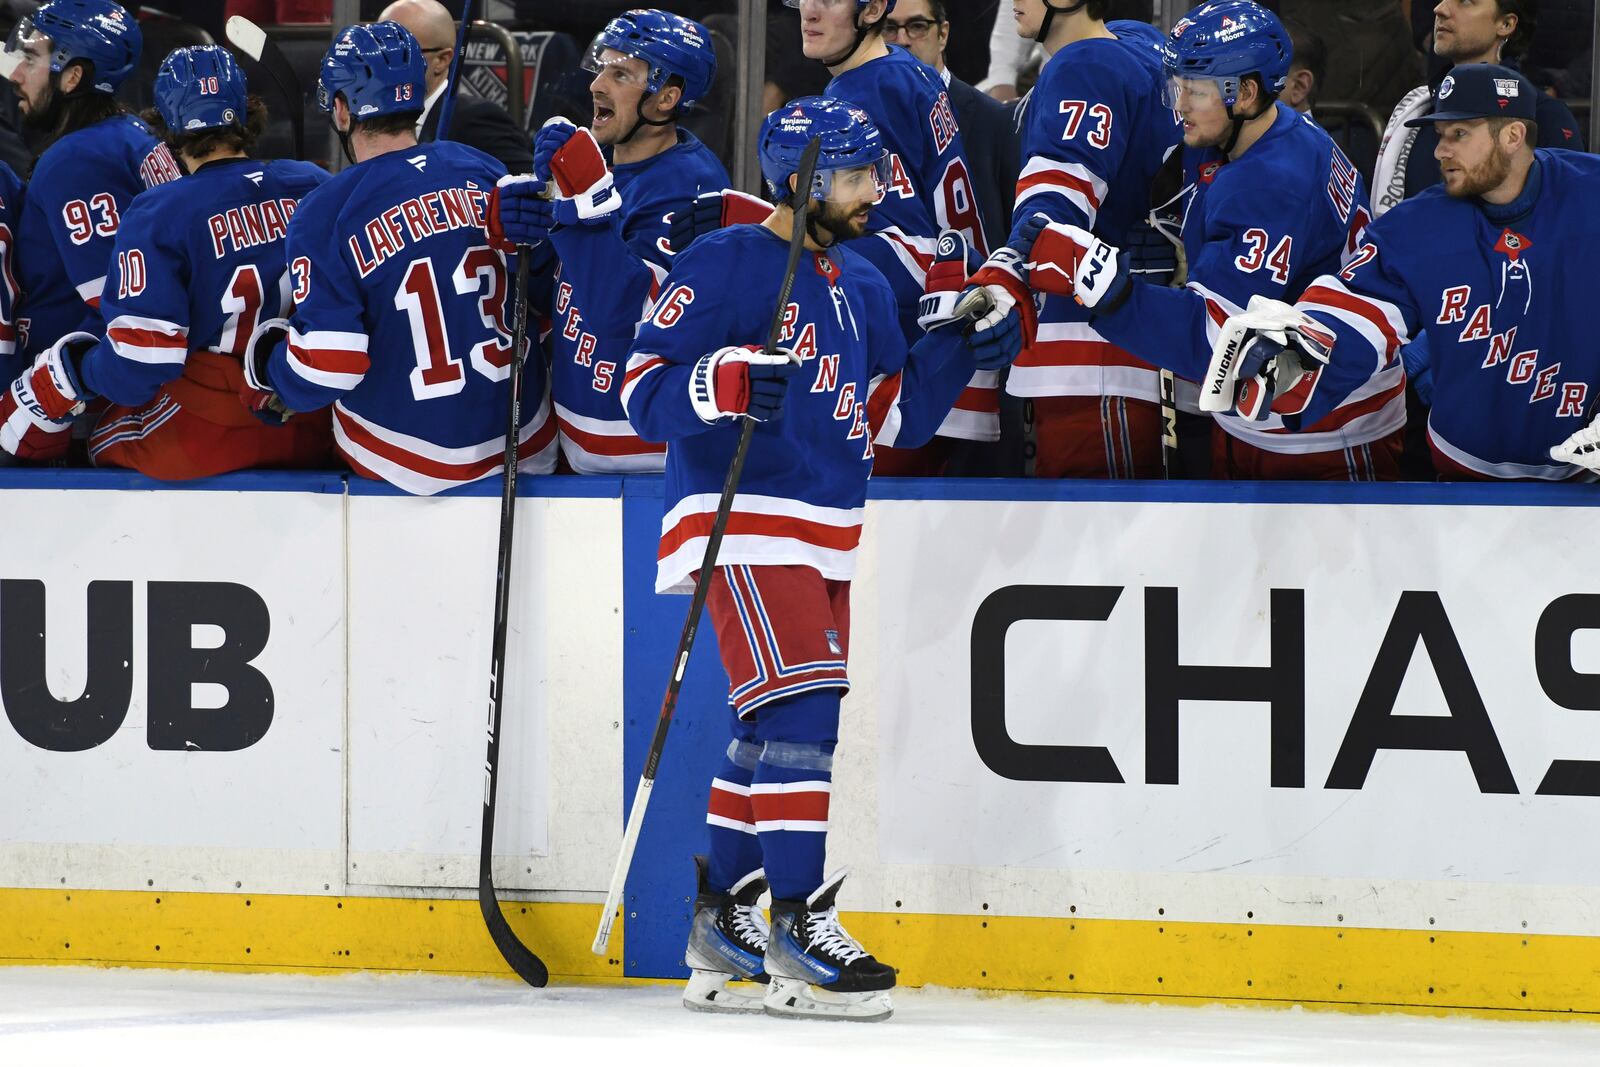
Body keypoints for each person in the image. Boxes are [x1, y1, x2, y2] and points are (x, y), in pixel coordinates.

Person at [622, 98, 1019, 1020]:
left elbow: (896, 415)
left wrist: (962, 342)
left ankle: (723, 923)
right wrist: (720, 381)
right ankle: (796, 927)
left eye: (873, 174)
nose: (872, 191)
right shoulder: (721, 262)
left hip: (826, 525)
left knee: (768, 732)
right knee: (805, 715)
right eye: (853, 176)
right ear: (798, 181)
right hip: (746, 517)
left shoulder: (866, 281)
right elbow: (643, 391)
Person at [988, 0, 1405, 479]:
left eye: (1195, 89)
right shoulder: (1259, 133)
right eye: (1177, 83)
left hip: (1326, 427)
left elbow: (1223, 345)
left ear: (1245, 93)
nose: (1179, 103)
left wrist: (1111, 291)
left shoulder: (1270, 184)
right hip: (1272, 418)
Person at [1200, 64, 1600, 482]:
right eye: (1440, 135)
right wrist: (1298, 357)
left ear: (1513, 136)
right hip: (1464, 479)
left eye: (1459, 134)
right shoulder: (1416, 225)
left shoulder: (1589, 194)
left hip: (1584, 481)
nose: (1440, 151)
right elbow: (1356, 309)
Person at [242, 20, 556, 495]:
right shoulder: (480, 167)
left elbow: (331, 363)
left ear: (342, 111)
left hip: (402, 462)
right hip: (525, 442)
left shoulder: (325, 211)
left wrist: (273, 374)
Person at [0, 45, 333, 477]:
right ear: (245, 110)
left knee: (73, 431)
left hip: (209, 429)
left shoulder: (158, 212)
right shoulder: (314, 184)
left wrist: (75, 371)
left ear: (166, 123)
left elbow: (142, 365)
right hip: (310, 417)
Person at [493, 9, 729, 473]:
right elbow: (559, 294)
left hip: (647, 456)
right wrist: (527, 235)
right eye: (601, 67)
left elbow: (627, 319)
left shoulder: (691, 188)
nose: (597, 85)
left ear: (666, 99)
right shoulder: (603, 167)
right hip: (583, 443)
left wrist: (579, 207)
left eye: (621, 73)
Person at [961, 0, 1183, 479]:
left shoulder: (1085, 64)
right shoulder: (1140, 45)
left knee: (1091, 531)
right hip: (1140, 335)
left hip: (1089, 348)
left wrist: (1004, 273)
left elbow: (1056, 206)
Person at [790, 0, 998, 470]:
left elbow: (906, 247)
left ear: (872, 10)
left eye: (829, 0)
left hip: (911, 369)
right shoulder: (905, 71)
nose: (809, 11)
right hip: (947, 356)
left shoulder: (868, 93)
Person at [0, 0, 181, 459]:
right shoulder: (133, 135)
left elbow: (123, 313)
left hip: (83, 415)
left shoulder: (76, 161)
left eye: (33, 59)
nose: (16, 74)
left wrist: (60, 387)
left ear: (73, 76)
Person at [1375, 0, 1582, 216]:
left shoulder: (1543, 115)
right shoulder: (1418, 109)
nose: (1440, 9)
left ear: (1506, 24)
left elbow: (1566, 223)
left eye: (1465, 2)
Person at [883, 0, 1018, 254]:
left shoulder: (995, 120)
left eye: (917, 26)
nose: (902, 40)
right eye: (889, 28)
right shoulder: (869, 121)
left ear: (942, 34)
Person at [380, 0, 533, 174]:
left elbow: (533, 187)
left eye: (397, 53)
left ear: (442, 60)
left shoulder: (475, 119)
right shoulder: (371, 117)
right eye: (377, 52)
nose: (381, 64)